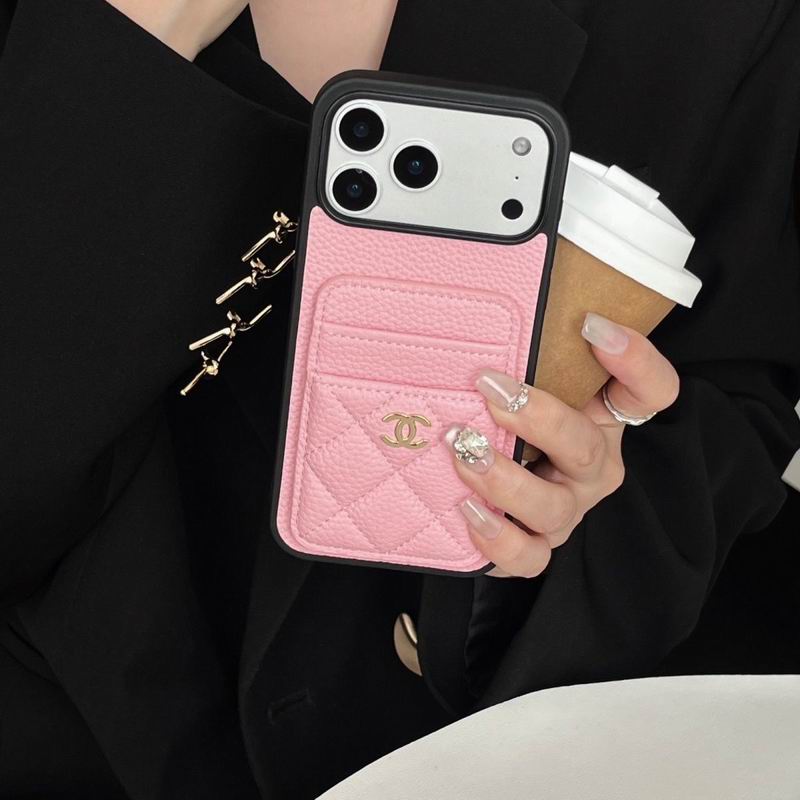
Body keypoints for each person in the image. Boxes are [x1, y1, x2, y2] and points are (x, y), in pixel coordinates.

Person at [1, 1, 798, 797]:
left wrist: (544, 525)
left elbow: (733, 414)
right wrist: (129, 42)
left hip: (462, 750)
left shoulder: (722, 26)